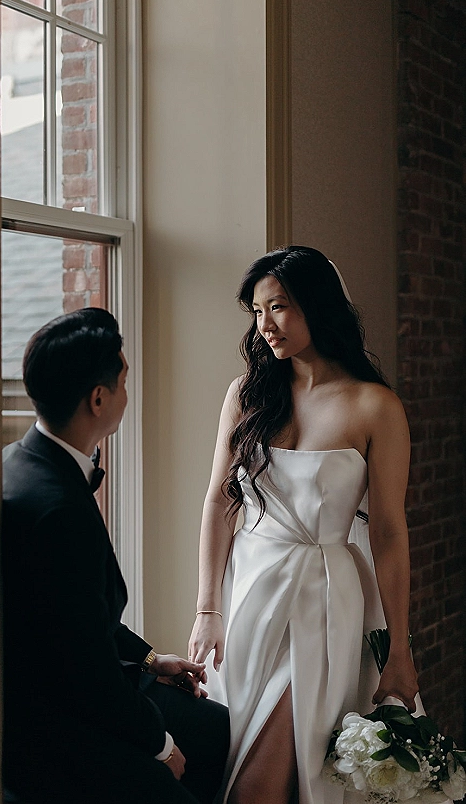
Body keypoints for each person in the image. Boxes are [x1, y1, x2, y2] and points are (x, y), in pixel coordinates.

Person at [188, 247, 419, 804]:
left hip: (327, 606)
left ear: (319, 306)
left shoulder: (375, 406)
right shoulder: (248, 393)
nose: (265, 325)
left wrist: (401, 649)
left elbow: (388, 533)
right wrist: (206, 609)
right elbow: (220, 502)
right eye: (257, 311)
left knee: (266, 783)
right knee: (239, 759)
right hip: (248, 597)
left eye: (280, 308)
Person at [2, 307, 229, 804]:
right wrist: (159, 745)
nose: (128, 392)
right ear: (99, 399)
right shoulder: (57, 507)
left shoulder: (23, 460)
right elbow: (86, 670)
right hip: (54, 723)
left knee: (219, 729)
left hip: (82, 681)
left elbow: (84, 617)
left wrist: (152, 659)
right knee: (191, 765)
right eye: (124, 381)